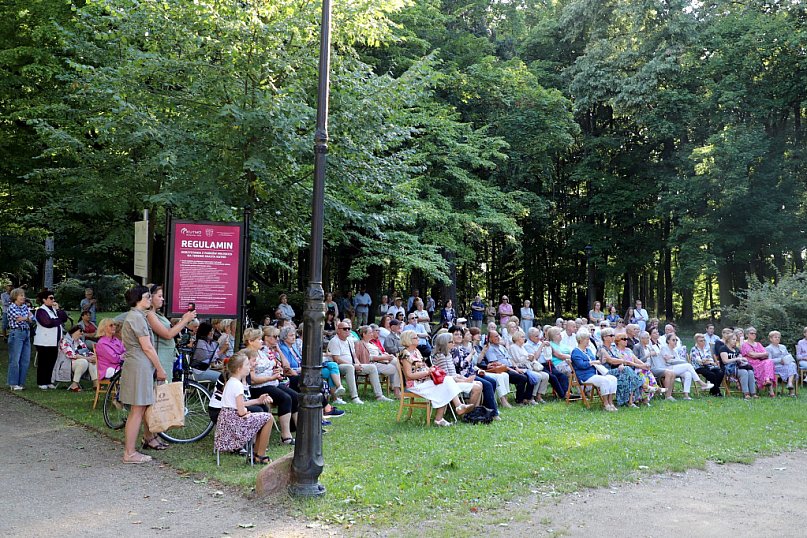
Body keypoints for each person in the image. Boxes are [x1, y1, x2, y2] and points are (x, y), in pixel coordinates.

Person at [119, 285, 167, 463]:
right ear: (138, 299)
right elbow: (147, 347)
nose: (150, 299)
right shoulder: (137, 318)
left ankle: (134, 448)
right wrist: (160, 368)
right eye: (147, 296)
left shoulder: (136, 316)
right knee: (137, 410)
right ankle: (130, 453)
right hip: (139, 365)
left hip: (138, 364)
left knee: (139, 409)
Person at [399, 330, 473, 426]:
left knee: (446, 381)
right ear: (408, 339)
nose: (418, 339)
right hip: (415, 384)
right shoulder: (405, 354)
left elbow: (422, 367)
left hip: (425, 380)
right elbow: (409, 375)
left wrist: (430, 369)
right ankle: (451, 411)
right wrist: (427, 372)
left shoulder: (416, 351)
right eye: (416, 337)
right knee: (446, 382)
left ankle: (446, 414)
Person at [213, 353, 275, 464]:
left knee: (262, 418)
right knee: (269, 418)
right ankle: (260, 455)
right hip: (234, 424)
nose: (249, 367)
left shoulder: (230, 382)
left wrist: (258, 400)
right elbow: (241, 411)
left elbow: (237, 404)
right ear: (239, 369)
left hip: (227, 421)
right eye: (247, 364)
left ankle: (256, 454)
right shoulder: (237, 385)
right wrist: (247, 412)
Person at [245, 327, 298, 444]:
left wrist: (277, 370)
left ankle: (300, 429)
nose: (261, 341)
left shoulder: (261, 352)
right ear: (250, 341)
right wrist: (271, 377)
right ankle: (286, 436)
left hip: (272, 382)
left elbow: (272, 366)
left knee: (295, 396)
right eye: (259, 339)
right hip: (258, 387)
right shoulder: (247, 355)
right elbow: (252, 380)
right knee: (285, 398)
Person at [327, 321, 390, 403]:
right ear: (338, 330)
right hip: (340, 366)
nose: (347, 330)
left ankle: (379, 395)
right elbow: (337, 359)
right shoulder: (334, 341)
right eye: (345, 329)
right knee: (350, 367)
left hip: (352, 364)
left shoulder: (349, 340)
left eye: (349, 329)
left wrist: (358, 363)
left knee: (372, 367)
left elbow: (354, 355)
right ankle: (354, 397)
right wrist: (353, 365)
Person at [145, 284, 197, 377]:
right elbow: (168, 334)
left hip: (166, 357)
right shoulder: (150, 315)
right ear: (150, 297)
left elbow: (171, 330)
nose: (162, 299)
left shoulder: (158, 314)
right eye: (159, 296)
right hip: (159, 357)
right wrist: (185, 320)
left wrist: (183, 320)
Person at [448, 327, 499, 418]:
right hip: (463, 375)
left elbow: (470, 364)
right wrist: (471, 354)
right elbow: (461, 366)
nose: (459, 336)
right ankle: (493, 413)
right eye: (456, 334)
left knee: (493, 381)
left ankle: (485, 408)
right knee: (487, 385)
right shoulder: (453, 350)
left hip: (471, 372)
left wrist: (478, 370)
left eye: (460, 334)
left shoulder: (461, 348)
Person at [478, 330, 535, 405]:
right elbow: (496, 364)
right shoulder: (490, 349)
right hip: (503, 370)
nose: (498, 337)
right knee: (522, 378)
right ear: (490, 339)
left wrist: (516, 368)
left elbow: (510, 359)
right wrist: (512, 370)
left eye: (498, 335)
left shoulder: (501, 347)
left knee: (530, 376)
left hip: (511, 367)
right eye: (496, 336)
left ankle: (527, 398)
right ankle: (519, 400)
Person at [570, 328, 618, 411]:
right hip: (584, 376)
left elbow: (594, 360)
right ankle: (606, 404)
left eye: (588, 339)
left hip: (594, 373)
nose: (588, 341)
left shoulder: (588, 350)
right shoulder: (576, 352)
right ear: (580, 340)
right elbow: (581, 365)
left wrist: (600, 361)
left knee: (613, 378)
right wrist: (592, 363)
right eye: (586, 339)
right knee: (604, 381)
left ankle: (611, 402)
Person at [431, 332, 483, 405]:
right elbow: (447, 377)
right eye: (451, 342)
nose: (453, 343)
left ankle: (475, 409)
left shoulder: (448, 355)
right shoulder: (441, 357)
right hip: (448, 385)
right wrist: (465, 381)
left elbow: (453, 373)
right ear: (445, 343)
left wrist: (464, 379)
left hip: (453, 381)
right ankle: (470, 410)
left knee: (479, 383)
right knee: (477, 387)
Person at [658, 334, 714, 400]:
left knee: (688, 373)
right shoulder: (664, 348)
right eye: (673, 340)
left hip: (674, 367)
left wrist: (678, 359)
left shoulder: (674, 350)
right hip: (666, 368)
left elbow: (677, 360)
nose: (675, 341)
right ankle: (701, 383)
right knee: (688, 365)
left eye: (676, 340)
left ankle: (686, 395)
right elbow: (668, 360)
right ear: (668, 341)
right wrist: (675, 358)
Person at [33, 290, 69, 390]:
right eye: (51, 298)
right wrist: (58, 320)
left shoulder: (54, 310)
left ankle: (48, 381)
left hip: (54, 341)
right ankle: (41, 382)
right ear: (44, 300)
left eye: (53, 298)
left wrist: (58, 310)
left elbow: (64, 318)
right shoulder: (40, 311)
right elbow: (47, 323)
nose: (53, 300)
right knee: (43, 362)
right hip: (43, 341)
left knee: (51, 361)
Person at [599, 329, 644, 407]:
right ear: (604, 337)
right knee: (627, 369)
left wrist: (621, 363)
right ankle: (644, 386)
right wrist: (623, 361)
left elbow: (617, 360)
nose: (613, 337)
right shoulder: (602, 349)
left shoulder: (611, 348)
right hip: (606, 372)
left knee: (628, 375)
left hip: (616, 370)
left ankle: (629, 402)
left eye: (613, 335)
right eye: (611, 335)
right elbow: (611, 360)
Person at [525, 327, 568, 399]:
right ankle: (562, 395)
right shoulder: (527, 346)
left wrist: (549, 347)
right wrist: (541, 346)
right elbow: (535, 358)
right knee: (553, 377)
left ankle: (566, 393)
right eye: (536, 336)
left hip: (548, 364)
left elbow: (553, 353)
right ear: (530, 337)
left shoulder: (540, 342)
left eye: (539, 335)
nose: (539, 338)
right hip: (538, 366)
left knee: (562, 376)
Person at [508, 330, 549, 404]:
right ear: (517, 338)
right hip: (521, 367)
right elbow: (517, 360)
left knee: (545, 375)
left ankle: (538, 395)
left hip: (529, 367)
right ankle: (530, 397)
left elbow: (527, 358)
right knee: (537, 376)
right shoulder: (513, 347)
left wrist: (531, 358)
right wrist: (527, 357)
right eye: (522, 337)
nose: (524, 338)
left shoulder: (522, 347)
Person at [6, 288, 33, 390]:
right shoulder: (12, 307)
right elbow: (19, 318)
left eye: (23, 295)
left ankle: (21, 383)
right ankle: (13, 383)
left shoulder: (25, 307)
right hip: (16, 333)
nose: (23, 297)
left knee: (25, 360)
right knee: (15, 359)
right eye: (21, 295)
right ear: (15, 296)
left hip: (26, 332)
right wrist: (27, 317)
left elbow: (32, 318)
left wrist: (26, 318)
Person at [57, 325, 98, 392]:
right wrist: (87, 358)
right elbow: (71, 355)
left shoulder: (79, 342)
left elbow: (86, 352)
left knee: (92, 361)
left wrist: (93, 357)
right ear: (74, 331)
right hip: (67, 363)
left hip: (78, 362)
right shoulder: (65, 341)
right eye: (80, 331)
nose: (82, 333)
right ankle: (74, 385)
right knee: (84, 362)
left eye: (83, 331)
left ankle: (96, 384)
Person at [741, 327, 775, 397]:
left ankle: (767, 380)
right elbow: (752, 355)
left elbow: (766, 355)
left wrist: (758, 355)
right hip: (751, 364)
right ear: (747, 335)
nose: (754, 335)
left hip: (760, 363)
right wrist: (761, 355)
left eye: (755, 333)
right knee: (767, 365)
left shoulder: (758, 344)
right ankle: (771, 391)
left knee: (769, 362)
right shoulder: (745, 344)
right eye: (752, 333)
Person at [720, 333, 756, 399]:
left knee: (750, 372)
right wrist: (736, 359)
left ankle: (753, 393)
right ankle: (746, 393)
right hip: (728, 368)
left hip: (738, 367)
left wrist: (743, 359)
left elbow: (740, 357)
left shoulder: (736, 349)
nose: (735, 341)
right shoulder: (723, 348)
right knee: (744, 372)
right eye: (733, 339)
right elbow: (725, 361)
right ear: (728, 340)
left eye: (736, 340)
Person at [765, 331, 797, 397]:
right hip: (775, 367)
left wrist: (791, 360)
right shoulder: (768, 348)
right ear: (771, 339)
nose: (777, 338)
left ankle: (790, 384)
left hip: (785, 365)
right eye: (775, 337)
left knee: (793, 365)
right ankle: (791, 392)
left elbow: (787, 355)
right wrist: (780, 360)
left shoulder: (783, 347)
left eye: (779, 337)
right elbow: (769, 361)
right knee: (791, 368)